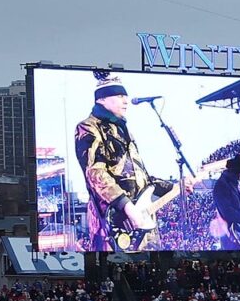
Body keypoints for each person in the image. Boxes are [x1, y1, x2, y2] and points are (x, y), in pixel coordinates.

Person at [76, 79, 178, 253]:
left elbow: (141, 178)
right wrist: (127, 206)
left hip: (142, 223)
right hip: (113, 222)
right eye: (120, 96)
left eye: (126, 96)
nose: (126, 101)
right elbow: (95, 172)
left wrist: (175, 187)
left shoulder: (124, 129)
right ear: (102, 99)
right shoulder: (88, 127)